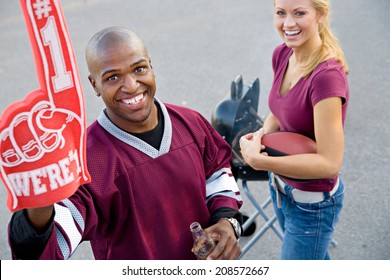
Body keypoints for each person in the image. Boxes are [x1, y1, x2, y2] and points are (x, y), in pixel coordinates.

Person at [8, 27, 243, 260]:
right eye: (113, 77)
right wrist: (40, 193)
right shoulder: (86, 160)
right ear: (94, 85)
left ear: (151, 67)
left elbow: (216, 171)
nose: (131, 86)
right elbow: (47, 248)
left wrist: (227, 221)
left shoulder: (191, 122)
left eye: (139, 69)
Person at [239, 0, 349, 260]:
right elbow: (279, 111)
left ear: (320, 14)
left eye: (299, 13)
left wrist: (259, 160)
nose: (288, 24)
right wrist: (259, 136)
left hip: (311, 203)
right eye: (281, 13)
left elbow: (330, 164)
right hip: (280, 186)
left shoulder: (326, 77)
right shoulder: (283, 53)